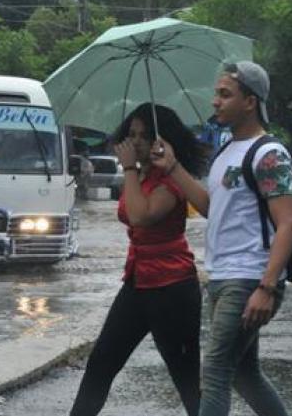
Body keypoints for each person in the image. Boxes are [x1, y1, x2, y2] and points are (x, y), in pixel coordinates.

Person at [150, 61, 292, 416]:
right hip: (222, 277)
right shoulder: (225, 152)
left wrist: (267, 287)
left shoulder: (269, 154)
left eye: (224, 94)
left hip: (248, 279)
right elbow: (211, 208)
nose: (215, 102)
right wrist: (172, 167)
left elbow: (288, 223)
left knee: (214, 372)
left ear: (250, 101)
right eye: (216, 94)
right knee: (245, 375)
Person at [70, 103, 210, 416]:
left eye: (144, 136)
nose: (136, 142)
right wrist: (134, 171)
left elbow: (139, 216)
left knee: (187, 381)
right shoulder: (143, 175)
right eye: (131, 134)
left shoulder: (170, 180)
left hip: (172, 287)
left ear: (162, 140)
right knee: (101, 364)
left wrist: (130, 169)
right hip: (137, 281)